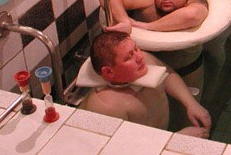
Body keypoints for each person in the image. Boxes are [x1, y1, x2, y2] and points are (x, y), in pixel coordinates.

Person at [104, 0, 208, 107]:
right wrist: (124, 21)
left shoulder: (195, 5)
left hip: (187, 71)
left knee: (186, 113)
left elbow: (192, 15)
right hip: (146, 71)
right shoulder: (149, 2)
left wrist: (146, 26)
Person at [79, 31, 211, 137]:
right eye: (129, 57)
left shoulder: (144, 61)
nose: (140, 57)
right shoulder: (106, 107)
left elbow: (168, 75)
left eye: (136, 48)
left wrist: (191, 104)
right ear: (108, 72)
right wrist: (177, 139)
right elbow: (125, 149)